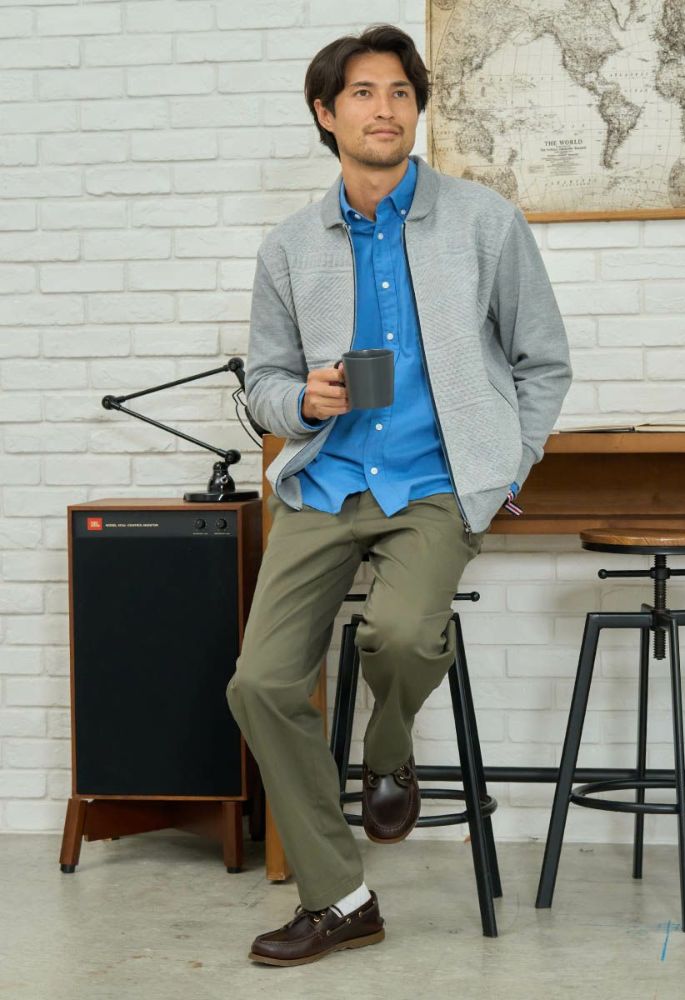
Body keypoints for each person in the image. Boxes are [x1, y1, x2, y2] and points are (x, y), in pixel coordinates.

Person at [225, 23, 572, 967]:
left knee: (403, 634)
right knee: (259, 684)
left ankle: (386, 751)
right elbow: (263, 383)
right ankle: (343, 900)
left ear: (417, 109)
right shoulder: (290, 247)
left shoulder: (485, 222)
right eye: (363, 93)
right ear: (325, 113)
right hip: (326, 483)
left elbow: (543, 360)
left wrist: (507, 463)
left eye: (400, 93)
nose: (385, 109)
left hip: (433, 484)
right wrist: (302, 402)